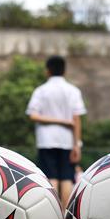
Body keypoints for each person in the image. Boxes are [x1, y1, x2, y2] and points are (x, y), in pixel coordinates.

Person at [26, 55, 87, 208]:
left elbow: (33, 115)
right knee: (67, 178)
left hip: (46, 141)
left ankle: (53, 216)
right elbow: (76, 119)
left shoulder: (41, 91)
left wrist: (58, 120)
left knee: (50, 178)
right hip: (67, 141)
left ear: (47, 71)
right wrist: (77, 145)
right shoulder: (73, 91)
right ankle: (66, 218)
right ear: (64, 71)